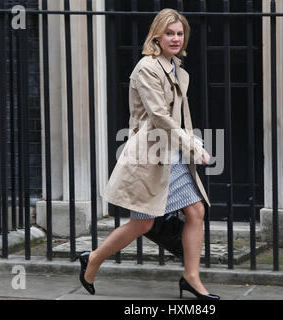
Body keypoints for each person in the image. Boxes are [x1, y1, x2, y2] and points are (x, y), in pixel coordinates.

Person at [77, 8, 220, 300]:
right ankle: (93, 259)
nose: (176, 38)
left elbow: (179, 119)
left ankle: (191, 278)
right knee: (143, 222)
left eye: (180, 33)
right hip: (151, 153)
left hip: (171, 149)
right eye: (169, 33)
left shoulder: (177, 69)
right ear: (157, 35)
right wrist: (194, 145)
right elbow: (158, 116)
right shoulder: (147, 68)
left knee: (195, 211)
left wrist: (188, 143)